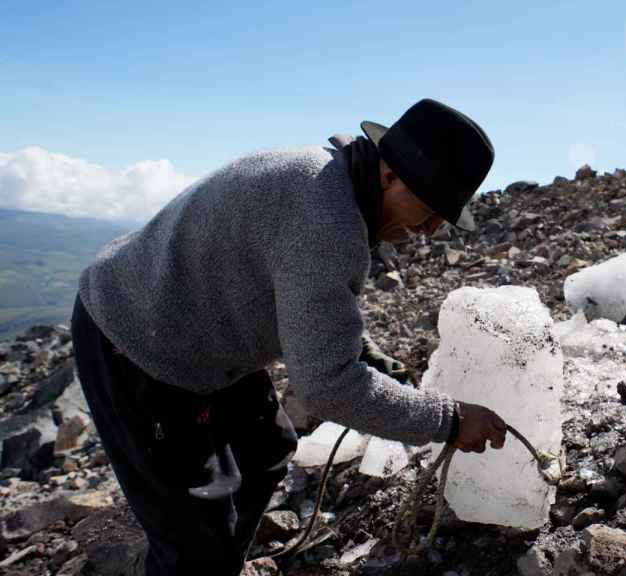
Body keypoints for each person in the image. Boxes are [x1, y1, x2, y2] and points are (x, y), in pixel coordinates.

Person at [70, 98, 508, 575]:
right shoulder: (327, 221)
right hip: (137, 340)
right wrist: (449, 419)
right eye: (427, 211)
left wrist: (379, 365)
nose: (428, 230)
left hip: (199, 326)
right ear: (389, 176)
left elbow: (311, 308)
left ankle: (221, 561)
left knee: (266, 449)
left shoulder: (330, 182)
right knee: (194, 543)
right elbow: (327, 385)